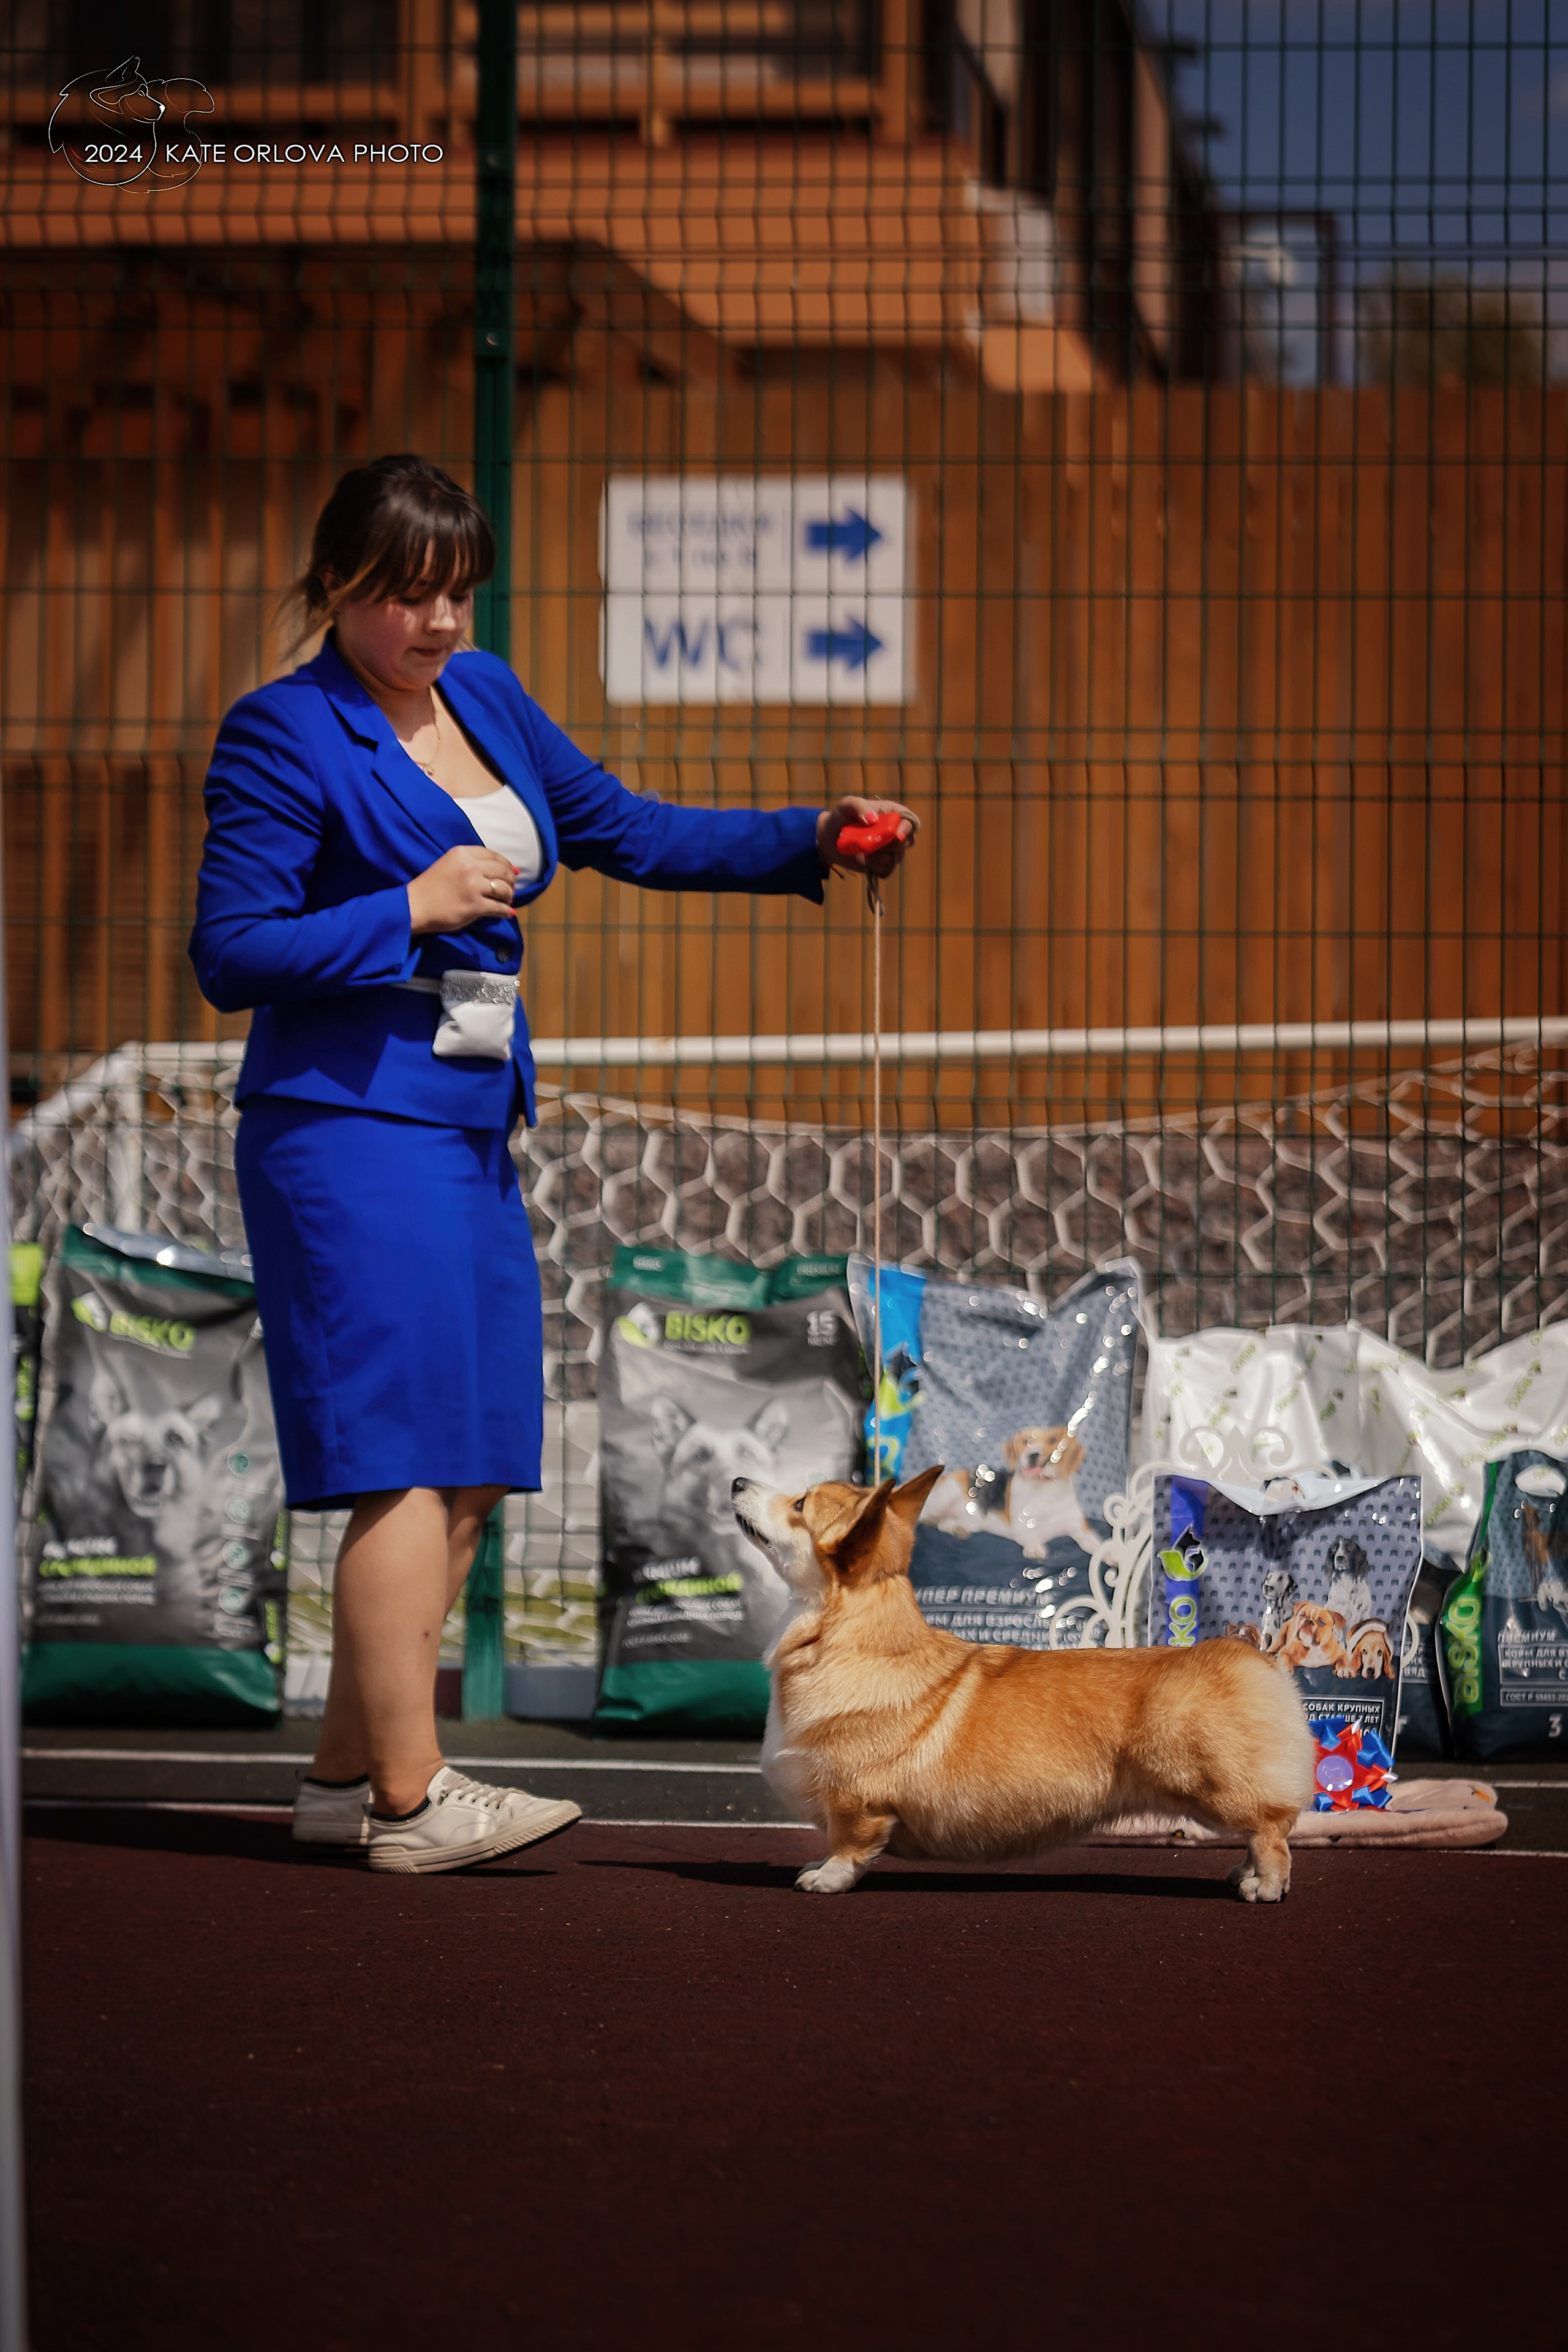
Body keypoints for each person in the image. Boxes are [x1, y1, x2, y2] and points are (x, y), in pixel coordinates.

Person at [189, 453, 916, 1875]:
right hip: (342, 1127)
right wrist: (406, 903)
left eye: (456, 590)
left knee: (464, 1467)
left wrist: (811, 833)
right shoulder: (283, 734)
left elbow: (628, 827)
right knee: (397, 1465)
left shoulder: (491, 696)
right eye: (406, 594)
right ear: (337, 584)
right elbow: (231, 953)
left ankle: (344, 1781)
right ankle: (411, 1802)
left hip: (464, 1126)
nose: (438, 621)